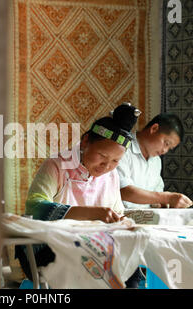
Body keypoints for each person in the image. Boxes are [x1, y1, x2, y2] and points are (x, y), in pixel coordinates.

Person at [15, 102, 143, 287]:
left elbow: (116, 214)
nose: (106, 166)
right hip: (48, 246)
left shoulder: (112, 176)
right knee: (90, 264)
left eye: (115, 160)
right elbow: (35, 207)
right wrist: (91, 213)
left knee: (130, 266)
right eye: (102, 156)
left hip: (93, 246)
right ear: (85, 142)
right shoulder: (57, 165)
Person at [117, 113, 192, 209]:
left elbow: (157, 194)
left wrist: (162, 203)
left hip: (145, 219)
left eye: (169, 148)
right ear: (154, 129)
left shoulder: (156, 160)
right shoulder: (122, 148)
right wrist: (166, 198)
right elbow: (123, 191)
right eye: (166, 143)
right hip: (119, 218)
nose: (165, 151)